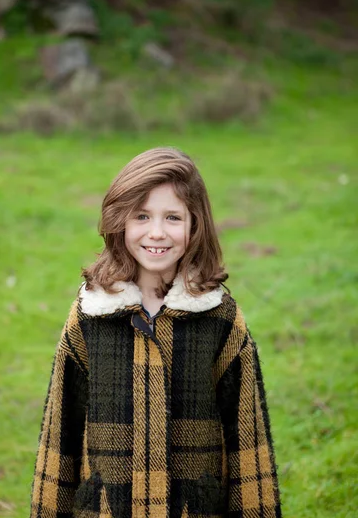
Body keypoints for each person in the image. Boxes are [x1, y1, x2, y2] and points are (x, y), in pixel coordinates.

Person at [30, 147, 282, 518]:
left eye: (173, 217)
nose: (157, 232)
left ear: (195, 225)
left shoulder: (222, 320)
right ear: (120, 222)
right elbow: (59, 436)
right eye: (142, 216)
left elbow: (249, 440)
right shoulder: (89, 317)